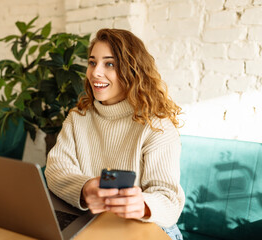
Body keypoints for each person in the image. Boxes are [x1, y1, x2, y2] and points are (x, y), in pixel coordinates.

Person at [45, 28, 185, 240]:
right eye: (92, 62)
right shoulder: (78, 117)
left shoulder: (156, 125)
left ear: (133, 71)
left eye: (109, 64)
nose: (95, 72)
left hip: (151, 229)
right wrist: (84, 188)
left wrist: (143, 205)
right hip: (96, 225)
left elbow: (169, 201)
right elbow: (56, 169)